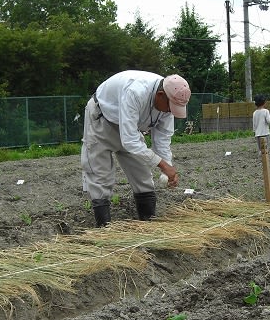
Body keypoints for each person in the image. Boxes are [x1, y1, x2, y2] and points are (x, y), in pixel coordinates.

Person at [81, 70, 191, 227]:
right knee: (100, 174)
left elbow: (162, 139)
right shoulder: (136, 91)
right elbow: (130, 141)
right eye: (169, 107)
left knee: (142, 174)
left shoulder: (168, 102)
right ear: (160, 95)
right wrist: (163, 165)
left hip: (130, 129)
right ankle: (103, 229)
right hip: (102, 119)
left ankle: (148, 224)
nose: (169, 111)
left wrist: (167, 168)